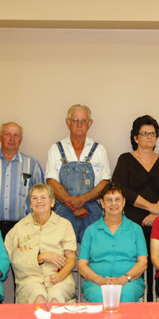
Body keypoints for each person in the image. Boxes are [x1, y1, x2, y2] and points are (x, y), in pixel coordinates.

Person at [112, 115, 159, 301]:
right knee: (137, 263)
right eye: (145, 133)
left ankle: (154, 301)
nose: (149, 137)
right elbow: (120, 189)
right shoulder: (125, 159)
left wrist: (157, 213)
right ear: (135, 138)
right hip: (132, 224)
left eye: (153, 134)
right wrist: (151, 208)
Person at [46, 104, 111, 242]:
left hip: (93, 215)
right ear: (68, 122)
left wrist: (82, 200)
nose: (79, 125)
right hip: (63, 214)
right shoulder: (56, 149)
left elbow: (105, 183)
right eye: (75, 120)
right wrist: (74, 206)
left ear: (90, 124)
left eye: (84, 121)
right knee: (62, 257)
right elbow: (51, 182)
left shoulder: (100, 150)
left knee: (94, 256)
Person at [4, 184, 77, 304]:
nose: (39, 202)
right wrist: (40, 257)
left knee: (55, 299)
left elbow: (71, 258)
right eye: (34, 198)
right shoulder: (18, 229)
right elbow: (14, 260)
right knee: (39, 299)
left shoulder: (64, 225)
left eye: (44, 197)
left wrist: (61, 276)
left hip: (59, 278)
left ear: (52, 202)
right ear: (31, 204)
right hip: (30, 280)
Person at [78, 183, 148, 303]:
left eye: (117, 199)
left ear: (124, 202)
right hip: (96, 284)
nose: (113, 204)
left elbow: (143, 263)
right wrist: (100, 281)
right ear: (102, 203)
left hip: (130, 282)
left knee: (125, 295)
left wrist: (124, 279)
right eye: (109, 200)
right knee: (98, 296)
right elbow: (82, 265)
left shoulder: (136, 229)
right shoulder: (91, 231)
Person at [0, 122, 45, 239]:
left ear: (21, 139)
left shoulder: (32, 164)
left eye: (16, 135)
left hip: (23, 227)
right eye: (7, 134)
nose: (12, 139)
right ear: (0, 137)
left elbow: (43, 199)